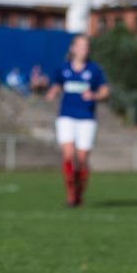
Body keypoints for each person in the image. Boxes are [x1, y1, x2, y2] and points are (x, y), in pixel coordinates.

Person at [45, 34, 109, 207]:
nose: (83, 50)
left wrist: (94, 95)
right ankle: (70, 194)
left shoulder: (94, 70)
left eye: (86, 46)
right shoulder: (63, 69)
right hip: (66, 116)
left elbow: (105, 91)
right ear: (73, 48)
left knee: (81, 160)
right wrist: (52, 92)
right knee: (68, 155)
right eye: (80, 46)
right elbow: (57, 85)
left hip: (87, 118)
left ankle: (79, 193)